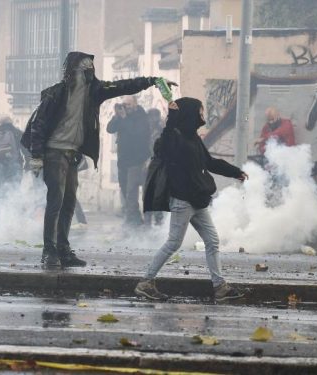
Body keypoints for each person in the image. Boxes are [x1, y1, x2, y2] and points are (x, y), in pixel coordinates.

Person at [22, 51, 170, 269]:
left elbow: (123, 86)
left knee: (69, 201)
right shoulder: (57, 93)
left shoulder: (95, 90)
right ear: (73, 70)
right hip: (54, 152)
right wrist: (36, 156)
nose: (90, 71)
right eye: (85, 67)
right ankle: (49, 251)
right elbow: (39, 124)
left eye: (91, 67)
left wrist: (152, 81)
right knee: (56, 200)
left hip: (72, 155)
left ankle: (63, 249)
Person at [136, 97, 248, 302]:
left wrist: (235, 172)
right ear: (189, 113)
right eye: (200, 111)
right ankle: (145, 282)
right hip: (182, 200)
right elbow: (165, 142)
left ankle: (220, 287)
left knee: (212, 241)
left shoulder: (193, 138)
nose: (202, 114)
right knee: (173, 243)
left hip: (197, 199)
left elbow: (210, 162)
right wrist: (172, 117)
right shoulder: (174, 137)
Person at [107, 96, 152, 225]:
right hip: (123, 161)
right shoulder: (122, 116)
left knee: (131, 192)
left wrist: (124, 118)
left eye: (129, 104)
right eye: (124, 104)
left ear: (135, 104)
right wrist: (116, 116)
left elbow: (136, 133)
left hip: (137, 161)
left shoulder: (142, 116)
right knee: (125, 190)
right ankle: (135, 219)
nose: (126, 107)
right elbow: (110, 129)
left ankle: (135, 222)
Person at [0, 117, 25, 189]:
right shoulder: (17, 132)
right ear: (11, 123)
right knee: (13, 189)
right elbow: (26, 148)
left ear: (1, 123)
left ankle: (0, 199)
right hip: (14, 164)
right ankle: (13, 200)